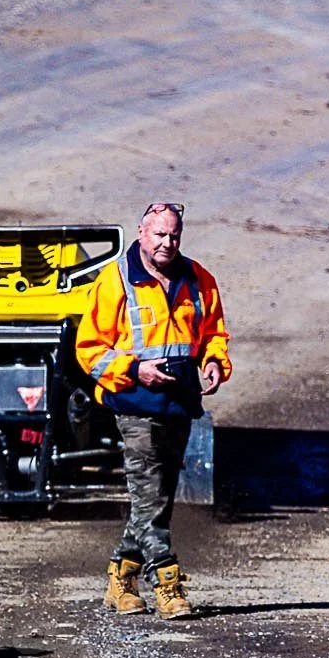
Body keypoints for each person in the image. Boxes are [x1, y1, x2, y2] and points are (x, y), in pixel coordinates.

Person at [75, 202, 231, 620]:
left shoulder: (199, 279)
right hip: (134, 405)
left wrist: (214, 362)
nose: (167, 243)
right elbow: (89, 349)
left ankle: (121, 578)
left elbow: (213, 333)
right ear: (141, 233)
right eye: (159, 234)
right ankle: (167, 583)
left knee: (155, 500)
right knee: (149, 495)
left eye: (174, 235)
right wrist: (134, 369)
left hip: (180, 403)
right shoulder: (115, 280)